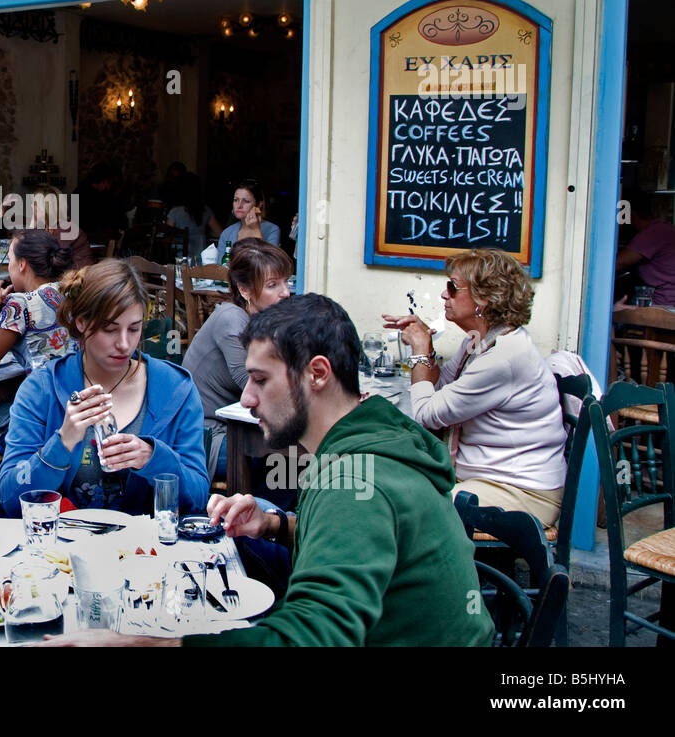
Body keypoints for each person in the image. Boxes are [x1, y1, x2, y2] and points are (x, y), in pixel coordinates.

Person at [49, 293, 494, 647]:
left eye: (261, 379)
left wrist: (154, 645)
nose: (245, 398)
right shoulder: (369, 443)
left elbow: (313, 637)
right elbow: (366, 545)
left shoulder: (354, 480)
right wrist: (275, 525)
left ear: (316, 374)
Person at [0, 259, 208, 516]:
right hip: (62, 550)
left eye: (134, 329)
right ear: (82, 323)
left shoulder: (175, 389)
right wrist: (62, 442)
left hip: (148, 550)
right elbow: (10, 499)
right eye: (110, 329)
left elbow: (197, 499)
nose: (124, 344)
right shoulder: (41, 389)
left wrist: (153, 458)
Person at [382, 248, 566, 527]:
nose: (444, 295)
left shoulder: (504, 356)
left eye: (452, 287)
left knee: (406, 504)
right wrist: (428, 348)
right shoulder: (481, 340)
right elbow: (439, 387)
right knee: (394, 480)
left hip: (521, 491)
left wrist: (419, 350)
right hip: (489, 478)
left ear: (484, 299)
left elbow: (426, 415)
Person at [0, 230, 77, 487]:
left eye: (8, 259)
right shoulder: (69, 292)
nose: (7, 268)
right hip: (73, 404)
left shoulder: (22, 304)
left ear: (22, 264)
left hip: (44, 412)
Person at [182, 239, 292, 480]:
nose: (285, 292)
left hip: (241, 426)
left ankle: (274, 512)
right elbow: (251, 382)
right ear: (245, 290)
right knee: (289, 460)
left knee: (297, 455)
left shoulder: (264, 320)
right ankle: (266, 512)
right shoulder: (232, 319)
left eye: (286, 282)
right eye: (273, 285)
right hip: (205, 436)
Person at [616, 193, 675, 304]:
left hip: (665, 305)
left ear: (631, 215)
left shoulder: (653, 233)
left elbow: (618, 263)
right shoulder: (663, 228)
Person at [26, 183, 94, 269]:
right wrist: (33, 224)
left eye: (34, 204)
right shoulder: (50, 227)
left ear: (45, 208)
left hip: (76, 278)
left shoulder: (64, 229)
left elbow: (46, 262)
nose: (31, 206)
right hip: (64, 276)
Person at [164, 172, 223, 261]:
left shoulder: (175, 212)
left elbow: (167, 236)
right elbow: (220, 234)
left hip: (178, 260)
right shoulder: (205, 211)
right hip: (201, 259)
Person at [216, 181, 281, 255]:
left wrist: (256, 230)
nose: (239, 205)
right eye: (236, 200)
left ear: (259, 205)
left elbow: (269, 263)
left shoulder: (272, 229)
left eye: (246, 201)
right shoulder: (227, 233)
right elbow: (220, 265)